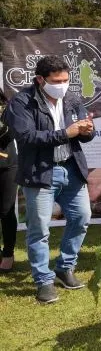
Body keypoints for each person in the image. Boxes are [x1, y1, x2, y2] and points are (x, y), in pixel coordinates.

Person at [3, 55, 95, 303]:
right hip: (40, 172)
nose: (63, 85)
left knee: (82, 217)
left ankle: (65, 267)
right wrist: (66, 133)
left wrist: (88, 130)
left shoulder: (73, 99)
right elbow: (27, 138)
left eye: (66, 80)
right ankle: (43, 280)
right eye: (57, 80)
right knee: (39, 230)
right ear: (40, 80)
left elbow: (84, 135)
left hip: (71, 168)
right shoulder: (21, 102)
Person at [0, 88, 18, 273]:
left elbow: (10, 134)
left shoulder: (8, 108)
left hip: (6, 164)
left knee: (6, 211)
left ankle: (8, 253)